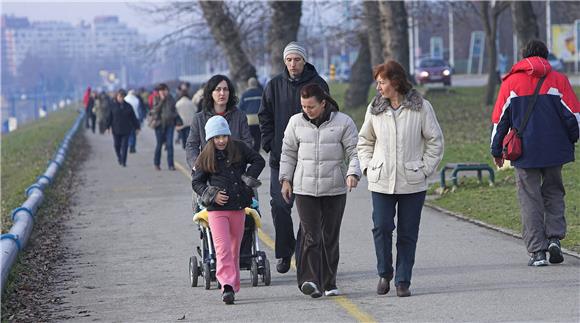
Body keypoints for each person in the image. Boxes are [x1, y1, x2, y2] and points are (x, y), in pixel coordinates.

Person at [357, 60, 444, 297]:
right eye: (377, 82)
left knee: (407, 233)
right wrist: (367, 167)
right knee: (381, 227)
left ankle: (403, 280)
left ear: (395, 82)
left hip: (412, 182)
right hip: (381, 180)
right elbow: (364, 141)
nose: (379, 87)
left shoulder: (421, 108)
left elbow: (435, 141)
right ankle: (385, 273)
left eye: (382, 82)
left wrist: (424, 168)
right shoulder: (375, 109)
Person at [490, 40, 579, 267]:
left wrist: (496, 149)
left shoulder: (511, 82)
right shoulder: (559, 80)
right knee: (554, 193)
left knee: (530, 199)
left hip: (524, 152)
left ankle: (537, 252)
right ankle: (555, 239)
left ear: (523, 57)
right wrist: (571, 139)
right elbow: (574, 116)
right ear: (545, 57)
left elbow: (500, 121)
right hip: (554, 150)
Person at [279, 84, 361, 298]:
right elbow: (288, 153)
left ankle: (329, 282)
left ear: (323, 103)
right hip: (305, 189)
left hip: (334, 189)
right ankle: (310, 281)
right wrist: (285, 179)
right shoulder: (295, 123)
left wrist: (353, 173)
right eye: (304, 106)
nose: (307, 110)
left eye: (311, 106)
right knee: (310, 236)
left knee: (329, 237)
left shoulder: (343, 122)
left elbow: (354, 152)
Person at [258, 41, 329, 274]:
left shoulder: (318, 84)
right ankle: (284, 252)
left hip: (310, 159)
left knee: (309, 211)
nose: (292, 64)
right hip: (281, 158)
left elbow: (329, 116)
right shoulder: (274, 85)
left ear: (304, 60)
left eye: (297, 59)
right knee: (280, 206)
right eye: (288, 60)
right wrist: (269, 143)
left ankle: (303, 251)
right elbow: (264, 116)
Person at [191, 116, 265, 305]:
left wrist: (248, 178)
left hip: (239, 207)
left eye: (224, 136)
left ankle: (233, 283)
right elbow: (197, 181)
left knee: (234, 250)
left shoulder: (239, 148)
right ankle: (227, 287)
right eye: (217, 137)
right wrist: (211, 194)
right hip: (217, 211)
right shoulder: (205, 156)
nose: (221, 140)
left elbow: (258, 160)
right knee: (222, 249)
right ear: (210, 139)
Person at [185, 75, 253, 170]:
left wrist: (241, 162)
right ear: (211, 93)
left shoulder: (239, 116)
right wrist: (196, 166)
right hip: (210, 170)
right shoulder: (199, 118)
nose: (222, 93)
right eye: (218, 89)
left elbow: (247, 142)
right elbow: (191, 145)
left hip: (235, 170)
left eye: (225, 89)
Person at [106, 89, 141, 167]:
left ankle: (124, 161)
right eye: (119, 96)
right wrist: (107, 127)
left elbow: (133, 118)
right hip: (116, 129)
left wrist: (137, 127)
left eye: (122, 97)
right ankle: (119, 157)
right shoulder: (112, 106)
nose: (121, 98)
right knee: (116, 145)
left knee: (125, 146)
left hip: (126, 129)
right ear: (117, 97)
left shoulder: (128, 106)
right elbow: (109, 117)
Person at [151, 83, 178, 171]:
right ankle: (156, 163)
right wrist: (162, 101)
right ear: (159, 91)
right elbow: (155, 111)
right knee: (159, 145)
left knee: (170, 144)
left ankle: (171, 165)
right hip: (159, 125)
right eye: (161, 90)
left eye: (165, 90)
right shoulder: (156, 98)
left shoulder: (171, 98)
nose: (163, 92)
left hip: (170, 124)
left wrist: (174, 117)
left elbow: (174, 110)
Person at [239, 77, 263, 152]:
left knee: (249, 137)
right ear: (256, 84)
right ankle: (256, 151)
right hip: (259, 119)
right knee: (258, 137)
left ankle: (250, 151)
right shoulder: (261, 93)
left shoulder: (245, 95)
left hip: (248, 120)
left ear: (248, 84)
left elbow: (240, 107)